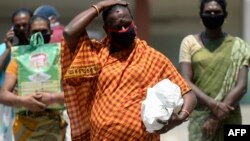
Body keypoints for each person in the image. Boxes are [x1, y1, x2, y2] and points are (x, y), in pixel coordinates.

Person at [61, 0, 197, 140]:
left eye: (127, 24)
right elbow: (69, 32)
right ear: (106, 29)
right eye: (117, 27)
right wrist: (100, 6)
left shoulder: (152, 57)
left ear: (133, 22)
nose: (123, 30)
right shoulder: (95, 54)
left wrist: (181, 117)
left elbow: (188, 93)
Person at [179, 0, 250, 140]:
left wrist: (216, 117)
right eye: (208, 12)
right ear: (201, 16)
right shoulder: (189, 43)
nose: (212, 14)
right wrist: (214, 105)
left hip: (231, 118)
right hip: (200, 119)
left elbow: (241, 86)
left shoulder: (239, 46)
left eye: (217, 12)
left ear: (225, 15)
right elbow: (186, 81)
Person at [0, 15, 67, 141]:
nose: (40, 35)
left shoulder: (60, 57)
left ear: (51, 33)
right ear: (28, 34)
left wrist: (52, 98)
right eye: (35, 32)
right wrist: (24, 101)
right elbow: (3, 94)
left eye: (44, 32)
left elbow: (75, 93)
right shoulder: (19, 58)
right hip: (25, 128)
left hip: (54, 127)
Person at [0, 8, 33, 141]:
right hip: (8, 108)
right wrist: (8, 49)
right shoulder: (4, 48)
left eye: (25, 24)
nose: (21, 28)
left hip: (32, 105)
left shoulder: (42, 48)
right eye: (17, 25)